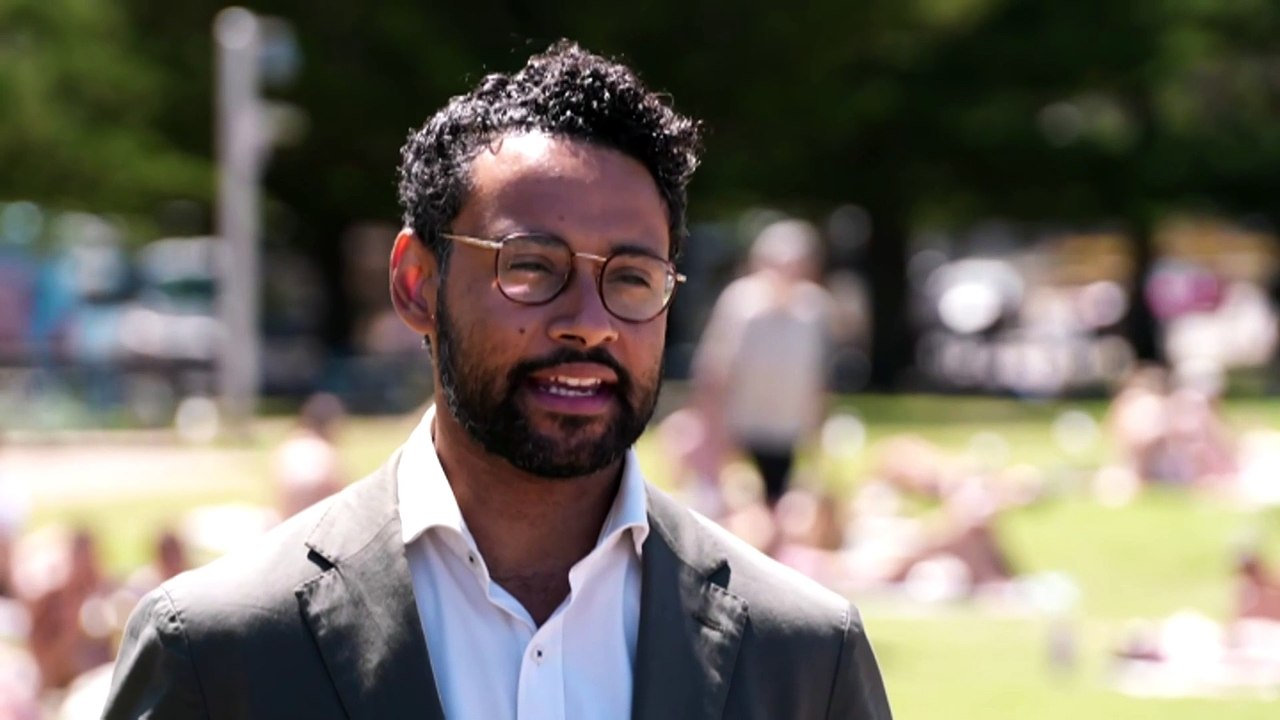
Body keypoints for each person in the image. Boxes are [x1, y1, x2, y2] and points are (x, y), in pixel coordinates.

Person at [103, 41, 891, 719]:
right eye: (532, 267)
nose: (590, 321)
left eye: (632, 278)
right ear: (417, 285)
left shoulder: (802, 658)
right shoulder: (219, 649)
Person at [692, 218, 835, 506]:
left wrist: (816, 440)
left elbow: (819, 379)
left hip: (786, 433)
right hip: (740, 428)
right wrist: (712, 433)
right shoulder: (739, 304)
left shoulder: (815, 310)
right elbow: (714, 373)